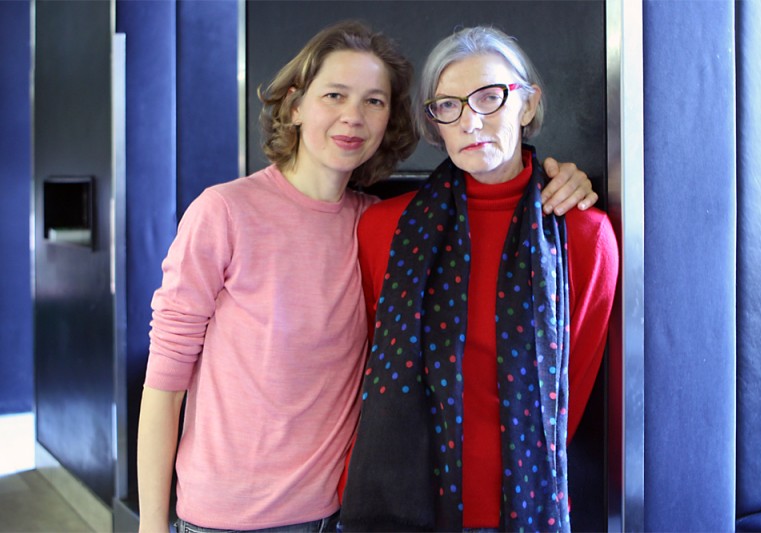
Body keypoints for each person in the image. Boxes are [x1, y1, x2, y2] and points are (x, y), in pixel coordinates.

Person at [137, 20, 597, 533]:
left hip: (340, 509)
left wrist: (560, 180)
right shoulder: (227, 212)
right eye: (335, 94)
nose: (353, 117)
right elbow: (165, 380)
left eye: (374, 101)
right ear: (294, 106)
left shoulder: (376, 224)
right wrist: (151, 525)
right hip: (228, 518)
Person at [340, 26, 619, 533]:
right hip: (398, 502)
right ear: (435, 124)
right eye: (448, 106)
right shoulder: (383, 229)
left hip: (521, 506)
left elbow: (571, 391)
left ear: (528, 105)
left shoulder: (583, 233)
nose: (471, 121)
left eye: (490, 98)